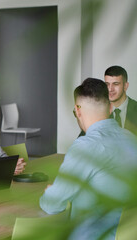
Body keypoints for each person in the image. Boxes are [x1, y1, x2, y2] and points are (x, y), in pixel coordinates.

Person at [39, 78, 137, 240]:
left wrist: (52, 193)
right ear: (111, 108)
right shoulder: (131, 139)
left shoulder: (86, 146)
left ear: (78, 111)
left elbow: (52, 205)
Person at [104, 65, 137, 135]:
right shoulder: (99, 112)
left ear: (125, 86)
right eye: (107, 84)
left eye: (115, 84)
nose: (110, 89)